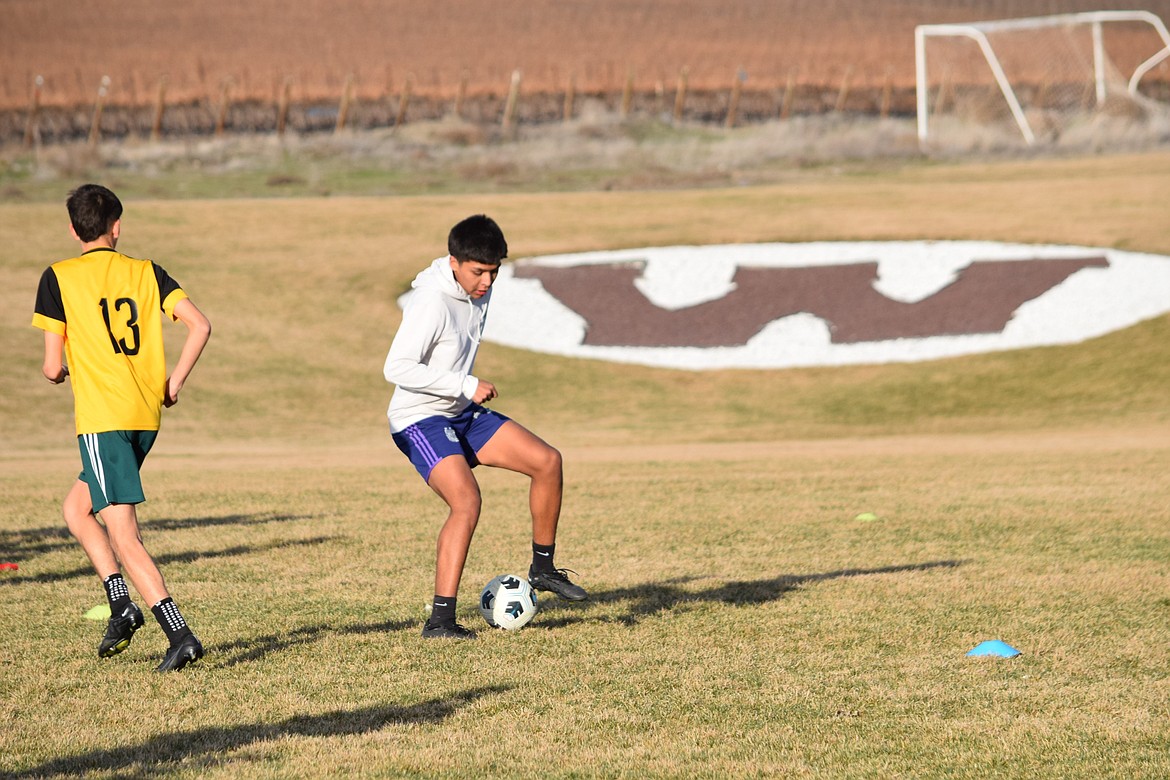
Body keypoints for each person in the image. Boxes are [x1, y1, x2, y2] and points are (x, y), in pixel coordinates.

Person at [32, 184, 212, 671]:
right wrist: (173, 381)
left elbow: (51, 367)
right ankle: (119, 604)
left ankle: (179, 634)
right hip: (143, 417)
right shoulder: (146, 272)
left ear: (73, 230)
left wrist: (66, 369)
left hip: (103, 421)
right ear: (117, 226)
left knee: (124, 534)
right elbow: (200, 325)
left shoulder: (59, 278)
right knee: (76, 508)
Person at [384, 214, 587, 640]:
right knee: (466, 502)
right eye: (478, 272)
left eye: (494, 272)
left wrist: (462, 390)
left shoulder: (478, 291)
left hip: (460, 411)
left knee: (547, 461)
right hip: (419, 417)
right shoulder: (430, 302)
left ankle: (544, 568)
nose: (486, 282)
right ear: (454, 260)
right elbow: (396, 367)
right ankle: (440, 620)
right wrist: (465, 383)